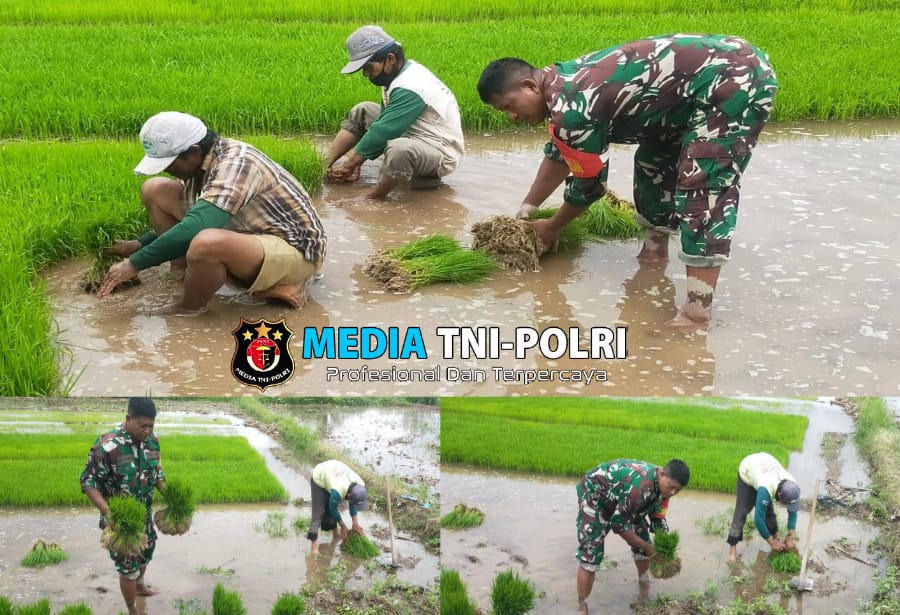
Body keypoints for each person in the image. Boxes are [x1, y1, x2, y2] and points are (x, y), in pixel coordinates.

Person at [477, 34, 778, 326]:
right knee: (653, 160)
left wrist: (552, 228)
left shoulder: (571, 108)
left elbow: (589, 185)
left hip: (734, 79)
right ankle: (653, 253)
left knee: (702, 184)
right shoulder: (559, 85)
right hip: (686, 96)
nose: (511, 117)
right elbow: (561, 154)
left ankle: (696, 311)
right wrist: (528, 207)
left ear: (529, 86)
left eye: (508, 106)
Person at [98, 111, 327, 315]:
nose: (167, 170)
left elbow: (198, 226)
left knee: (206, 243)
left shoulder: (237, 163)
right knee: (155, 189)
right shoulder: (204, 162)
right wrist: (139, 244)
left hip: (295, 251)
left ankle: (189, 308)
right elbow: (196, 217)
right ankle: (183, 272)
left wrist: (134, 263)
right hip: (248, 234)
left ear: (193, 151)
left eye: (169, 163)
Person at [325, 25, 465, 199]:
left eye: (368, 67)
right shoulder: (396, 75)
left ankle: (373, 197)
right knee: (363, 110)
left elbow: (384, 131)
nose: (365, 74)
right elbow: (384, 120)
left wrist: (349, 164)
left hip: (438, 150)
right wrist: (356, 161)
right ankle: (323, 163)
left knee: (399, 149)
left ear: (390, 59)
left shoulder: (411, 85)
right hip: (414, 132)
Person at [80, 397, 166, 615]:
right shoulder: (107, 447)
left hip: (144, 517)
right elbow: (88, 482)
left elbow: (157, 473)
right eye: (142, 425)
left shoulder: (152, 441)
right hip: (120, 522)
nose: (147, 431)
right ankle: (131, 609)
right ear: (128, 419)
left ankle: (140, 587)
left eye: (151, 425)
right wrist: (110, 513)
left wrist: (173, 497)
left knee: (146, 553)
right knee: (128, 569)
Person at [576, 458, 690, 615]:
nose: (673, 493)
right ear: (662, 474)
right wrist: (649, 549)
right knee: (591, 555)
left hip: (624, 501)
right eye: (672, 487)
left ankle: (644, 586)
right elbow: (619, 525)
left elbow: (658, 518)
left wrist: (665, 551)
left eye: (678, 490)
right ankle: (582, 606)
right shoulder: (640, 488)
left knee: (643, 543)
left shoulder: (666, 490)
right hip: (597, 496)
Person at [727, 452, 800, 562]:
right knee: (741, 513)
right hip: (748, 470)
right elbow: (759, 520)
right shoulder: (767, 488)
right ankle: (732, 550)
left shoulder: (792, 486)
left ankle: (776, 537)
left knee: (769, 512)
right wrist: (771, 543)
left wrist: (790, 536)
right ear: (780, 495)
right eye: (784, 502)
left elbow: (793, 511)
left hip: (764, 468)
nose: (786, 505)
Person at [307, 459, 369, 555]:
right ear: (349, 495)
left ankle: (336, 534)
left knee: (331, 515)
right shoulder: (338, 491)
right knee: (318, 513)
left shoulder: (360, 485)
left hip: (334, 474)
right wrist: (343, 526)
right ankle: (313, 546)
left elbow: (353, 503)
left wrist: (355, 524)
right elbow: (333, 509)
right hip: (320, 477)